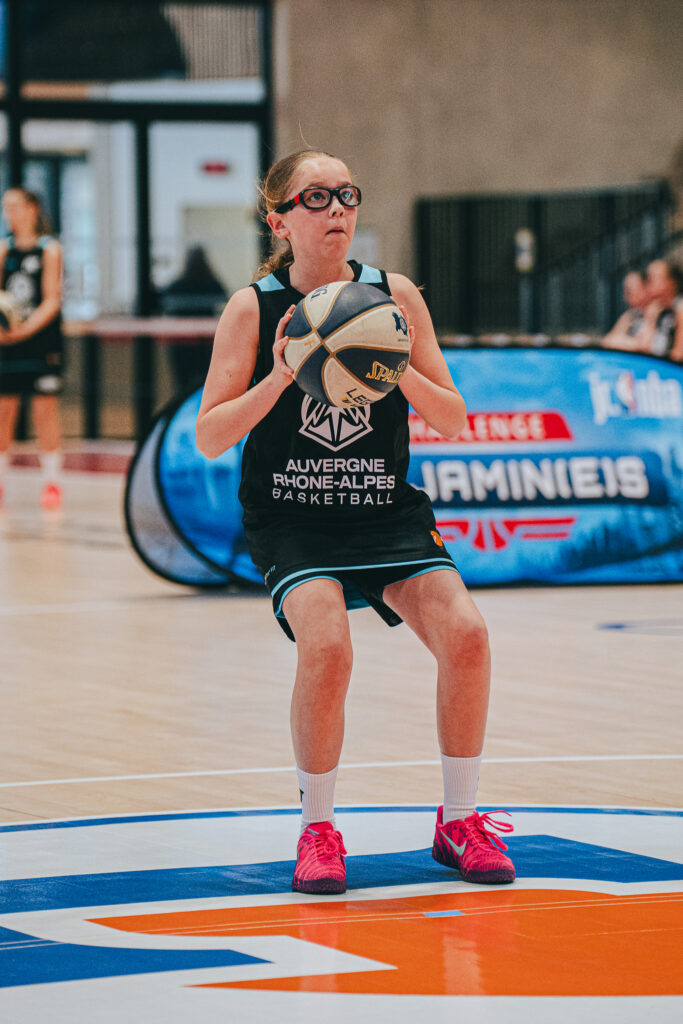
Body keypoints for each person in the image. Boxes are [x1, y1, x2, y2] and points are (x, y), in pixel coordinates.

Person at [196, 150, 515, 894]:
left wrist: (391, 359)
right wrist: (281, 374)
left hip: (383, 509)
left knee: (467, 636)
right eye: (315, 197)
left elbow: (454, 418)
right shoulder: (252, 308)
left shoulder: (391, 295)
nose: (336, 207)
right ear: (279, 221)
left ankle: (459, 821)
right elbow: (210, 435)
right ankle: (317, 830)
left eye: (346, 194)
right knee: (330, 646)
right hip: (291, 515)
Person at [0, 188, 64, 508]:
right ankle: (1, 481)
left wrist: (23, 330)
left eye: (15, 207)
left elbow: (52, 300)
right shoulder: (4, 249)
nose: (9, 214)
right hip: (8, 344)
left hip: (41, 342)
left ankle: (51, 482)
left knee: (44, 411)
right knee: (4, 411)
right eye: (5, 208)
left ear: (32, 209)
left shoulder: (49, 249)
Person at [157, 245, 228, 396]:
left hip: (182, 342)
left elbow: (160, 300)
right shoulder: (212, 284)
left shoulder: (178, 285)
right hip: (205, 342)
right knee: (205, 382)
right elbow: (224, 298)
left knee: (182, 384)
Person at [635, 259, 683, 362]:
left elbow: (679, 354)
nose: (648, 283)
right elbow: (643, 346)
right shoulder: (654, 309)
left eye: (653, 278)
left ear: (672, 282)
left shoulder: (680, 308)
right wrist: (650, 320)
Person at [602, 270, 648, 350]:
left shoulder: (657, 314)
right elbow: (607, 341)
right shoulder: (630, 314)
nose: (625, 298)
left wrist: (620, 341)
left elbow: (643, 346)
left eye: (629, 292)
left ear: (645, 288)